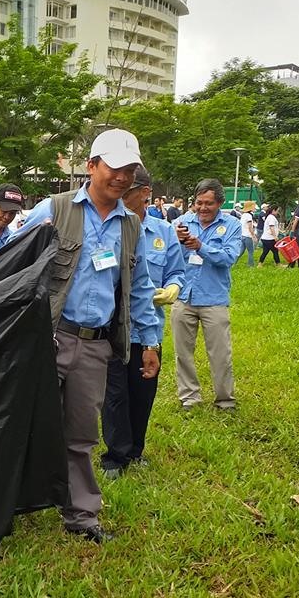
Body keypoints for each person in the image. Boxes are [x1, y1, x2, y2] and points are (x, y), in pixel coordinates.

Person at [19, 128, 160, 543]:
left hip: (96, 345)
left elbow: (140, 289)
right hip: (48, 338)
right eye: (114, 167)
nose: (122, 177)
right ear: (92, 166)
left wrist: (148, 342)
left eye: (129, 169)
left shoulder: (130, 226)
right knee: (24, 422)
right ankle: (7, 502)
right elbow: (12, 263)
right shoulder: (55, 209)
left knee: (80, 434)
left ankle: (81, 516)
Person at [100, 166, 185, 479]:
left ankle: (136, 449)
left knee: (142, 391)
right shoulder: (110, 226)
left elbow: (177, 271)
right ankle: (114, 456)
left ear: (145, 192)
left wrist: (174, 287)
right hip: (111, 328)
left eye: (129, 189)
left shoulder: (163, 232)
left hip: (148, 328)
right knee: (114, 394)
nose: (120, 194)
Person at [171, 179, 242, 411]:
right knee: (183, 352)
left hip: (214, 298)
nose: (203, 208)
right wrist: (179, 241)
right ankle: (189, 397)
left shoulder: (232, 225)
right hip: (184, 297)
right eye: (199, 203)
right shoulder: (181, 222)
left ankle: (225, 400)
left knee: (220, 354)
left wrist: (200, 246)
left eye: (209, 203)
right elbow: (170, 258)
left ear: (220, 203)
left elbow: (229, 258)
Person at [237, 200, 258, 268]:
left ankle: (232, 263)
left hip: (242, 235)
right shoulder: (249, 216)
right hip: (248, 236)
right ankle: (251, 265)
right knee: (250, 252)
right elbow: (250, 227)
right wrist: (254, 236)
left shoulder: (244, 215)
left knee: (241, 251)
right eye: (254, 206)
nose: (255, 208)